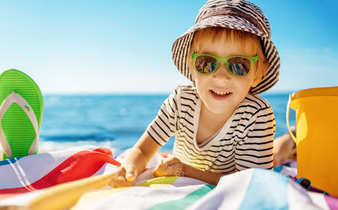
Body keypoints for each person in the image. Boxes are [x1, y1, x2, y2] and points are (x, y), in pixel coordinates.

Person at [110, 0, 281, 187]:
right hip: (189, 164)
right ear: (192, 67)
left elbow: (250, 181)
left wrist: (186, 171)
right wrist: (129, 166)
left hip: (236, 165)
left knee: (278, 155)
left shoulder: (255, 114)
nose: (221, 77)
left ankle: (287, 143)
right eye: (207, 62)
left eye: (239, 65)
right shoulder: (181, 101)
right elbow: (143, 150)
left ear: (257, 74)